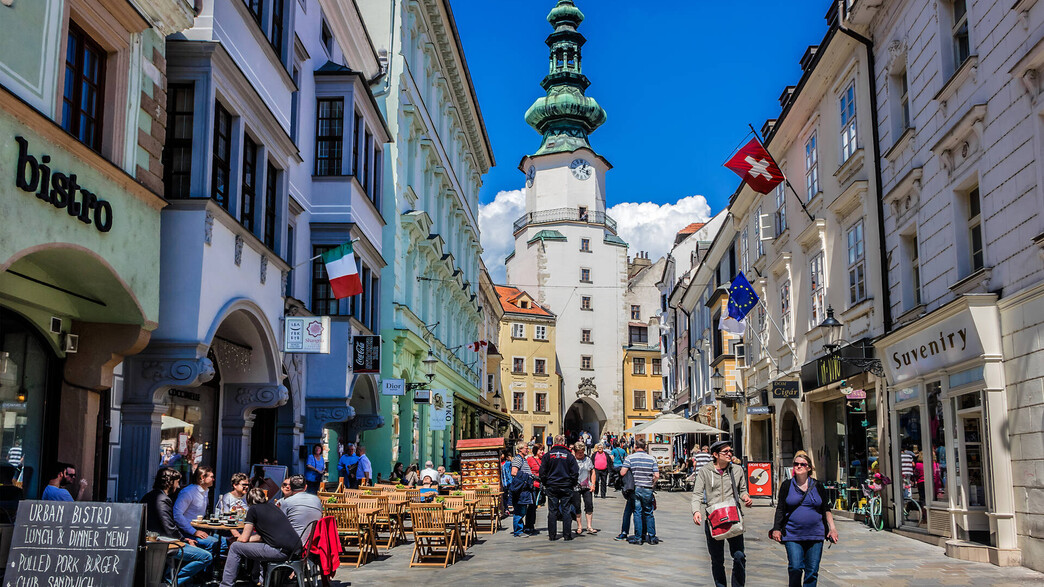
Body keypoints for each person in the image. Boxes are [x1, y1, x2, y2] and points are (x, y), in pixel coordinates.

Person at [770, 450, 838, 587]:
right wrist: (776, 528)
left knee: (812, 571)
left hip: (816, 534)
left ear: (809, 468)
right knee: (795, 568)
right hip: (792, 534)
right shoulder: (787, 485)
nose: (798, 466)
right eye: (796, 464)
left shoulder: (818, 486)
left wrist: (833, 529)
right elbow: (781, 509)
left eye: (802, 464)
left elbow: (826, 509)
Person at [692, 440, 753, 587]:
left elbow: (743, 489)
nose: (729, 454)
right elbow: (697, 494)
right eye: (725, 452)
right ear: (715, 454)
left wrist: (746, 497)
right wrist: (696, 511)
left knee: (739, 556)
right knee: (717, 559)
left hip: (733, 517)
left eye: (730, 451)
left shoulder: (737, 470)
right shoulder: (705, 471)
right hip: (714, 519)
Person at [142, 467, 213, 586]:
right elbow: (168, 526)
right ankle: (171, 582)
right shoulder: (162, 499)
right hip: (164, 544)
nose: (178, 486)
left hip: (156, 541)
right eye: (177, 482)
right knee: (206, 557)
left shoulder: (149, 495)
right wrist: (184, 539)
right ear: (170, 482)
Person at [220, 488, 302, 587]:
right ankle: (258, 580)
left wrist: (238, 539)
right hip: (295, 550)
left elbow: (244, 539)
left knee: (235, 547)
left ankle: (226, 585)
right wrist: (247, 539)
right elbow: (264, 536)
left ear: (249, 501)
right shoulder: (273, 507)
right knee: (255, 545)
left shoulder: (253, 510)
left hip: (280, 551)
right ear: (264, 498)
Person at [174, 465, 223, 561]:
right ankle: (204, 573)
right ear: (202, 478)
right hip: (186, 531)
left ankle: (209, 570)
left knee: (224, 542)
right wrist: (194, 532)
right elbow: (177, 515)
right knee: (214, 542)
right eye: (211, 477)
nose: (214, 479)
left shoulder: (205, 491)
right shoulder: (188, 492)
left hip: (199, 529)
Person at [620, 438, 659, 545]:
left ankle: (638, 538)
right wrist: (652, 483)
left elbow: (622, 472)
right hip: (647, 488)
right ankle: (651, 537)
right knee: (648, 512)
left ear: (635, 447)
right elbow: (656, 475)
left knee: (637, 512)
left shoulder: (630, 458)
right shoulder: (652, 459)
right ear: (645, 447)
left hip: (636, 488)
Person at [539, 434, 579, 541]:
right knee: (566, 510)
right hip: (566, 486)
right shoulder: (569, 455)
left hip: (552, 485)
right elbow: (575, 472)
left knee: (552, 511)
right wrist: (572, 483)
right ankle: (567, 535)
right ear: (563, 442)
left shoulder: (548, 455)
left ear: (554, 442)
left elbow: (542, 472)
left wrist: (546, 482)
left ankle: (552, 535)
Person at [279, 474, 323, 544]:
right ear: (305, 487)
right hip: (314, 544)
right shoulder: (317, 500)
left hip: (293, 546)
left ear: (291, 487)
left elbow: (279, 524)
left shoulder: (286, 502)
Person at [510, 442, 535, 537]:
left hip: (525, 488)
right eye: (526, 448)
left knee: (523, 509)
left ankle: (521, 529)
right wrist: (526, 478)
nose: (527, 450)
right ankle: (518, 531)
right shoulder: (517, 459)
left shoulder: (523, 459)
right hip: (521, 489)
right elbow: (514, 472)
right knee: (520, 510)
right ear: (520, 449)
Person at [572, 442, 596, 535]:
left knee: (589, 504)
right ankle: (579, 526)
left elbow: (592, 471)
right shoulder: (572, 460)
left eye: (582, 452)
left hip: (587, 485)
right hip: (575, 486)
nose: (581, 454)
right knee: (577, 506)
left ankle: (589, 526)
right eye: (579, 452)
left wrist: (593, 484)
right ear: (575, 452)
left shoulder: (588, 459)